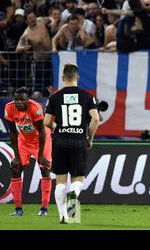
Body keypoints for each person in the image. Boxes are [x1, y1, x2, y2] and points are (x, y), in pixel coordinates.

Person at [43, 64, 100, 224]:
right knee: (77, 180)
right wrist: (90, 137)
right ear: (78, 77)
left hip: (60, 142)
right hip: (78, 141)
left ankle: (64, 215)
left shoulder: (54, 97)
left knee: (60, 182)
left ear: (62, 78)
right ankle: (73, 206)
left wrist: (59, 127)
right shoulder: (87, 97)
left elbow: (46, 122)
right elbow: (95, 119)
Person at [4, 87, 52, 217]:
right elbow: (13, 133)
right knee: (15, 168)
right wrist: (17, 156)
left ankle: (44, 209)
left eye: (22, 100)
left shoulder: (35, 108)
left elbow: (42, 131)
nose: (19, 102)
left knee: (44, 169)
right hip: (24, 141)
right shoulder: (9, 108)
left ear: (28, 100)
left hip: (41, 141)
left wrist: (40, 155)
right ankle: (18, 209)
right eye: (16, 100)